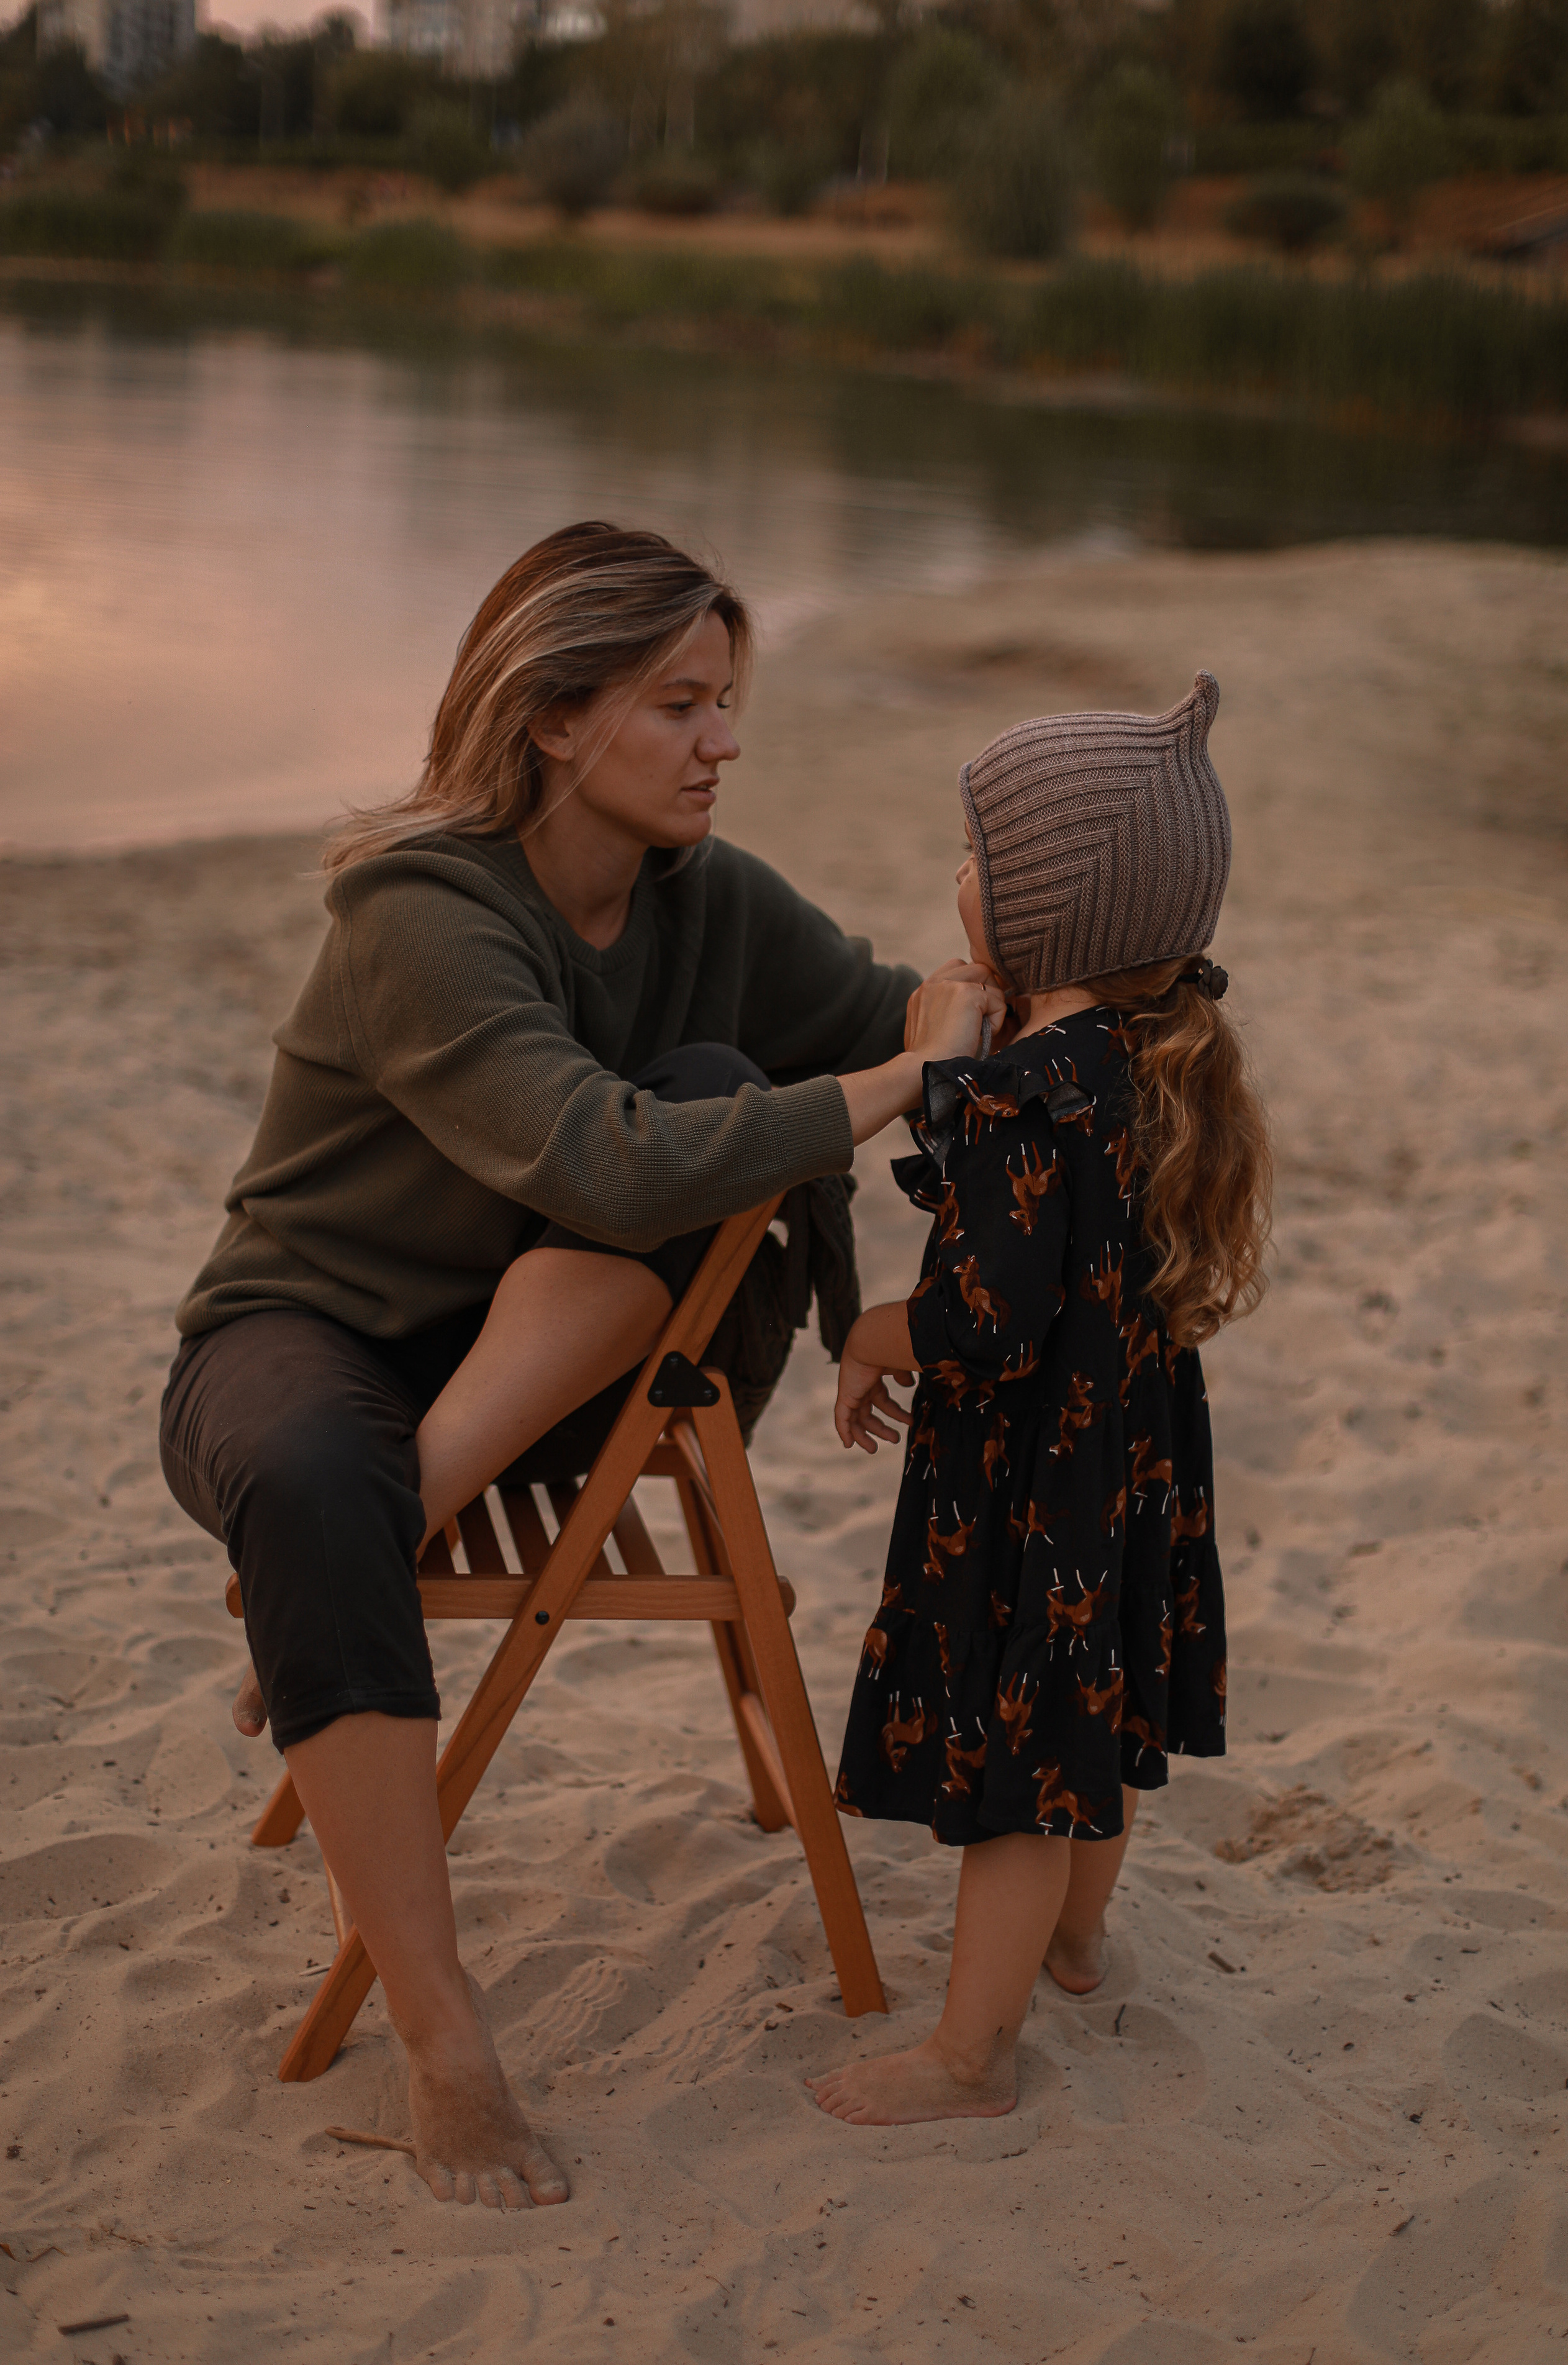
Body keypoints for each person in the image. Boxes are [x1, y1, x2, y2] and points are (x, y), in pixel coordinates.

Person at [158, 523, 1004, 2207]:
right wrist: (906, 1084)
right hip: (301, 1338)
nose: (722, 742)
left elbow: (901, 1010)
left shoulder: (717, 905)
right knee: (328, 1471)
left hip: (562, 1398)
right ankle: (442, 2037)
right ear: (553, 715)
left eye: (727, 701)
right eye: (679, 704)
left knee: (701, 1070)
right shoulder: (418, 908)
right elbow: (601, 1164)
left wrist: (1004, 1003)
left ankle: (385, 1541)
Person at [810, 671, 1272, 2128]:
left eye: (975, 859)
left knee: (1019, 1762)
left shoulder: (1028, 1092)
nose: (955, 877)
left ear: (1049, 915)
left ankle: (969, 2057)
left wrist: (875, 1337)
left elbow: (987, 1315)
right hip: (1125, 1463)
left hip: (1031, 1474)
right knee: (1093, 1704)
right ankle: (1075, 1945)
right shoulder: (1147, 1061)